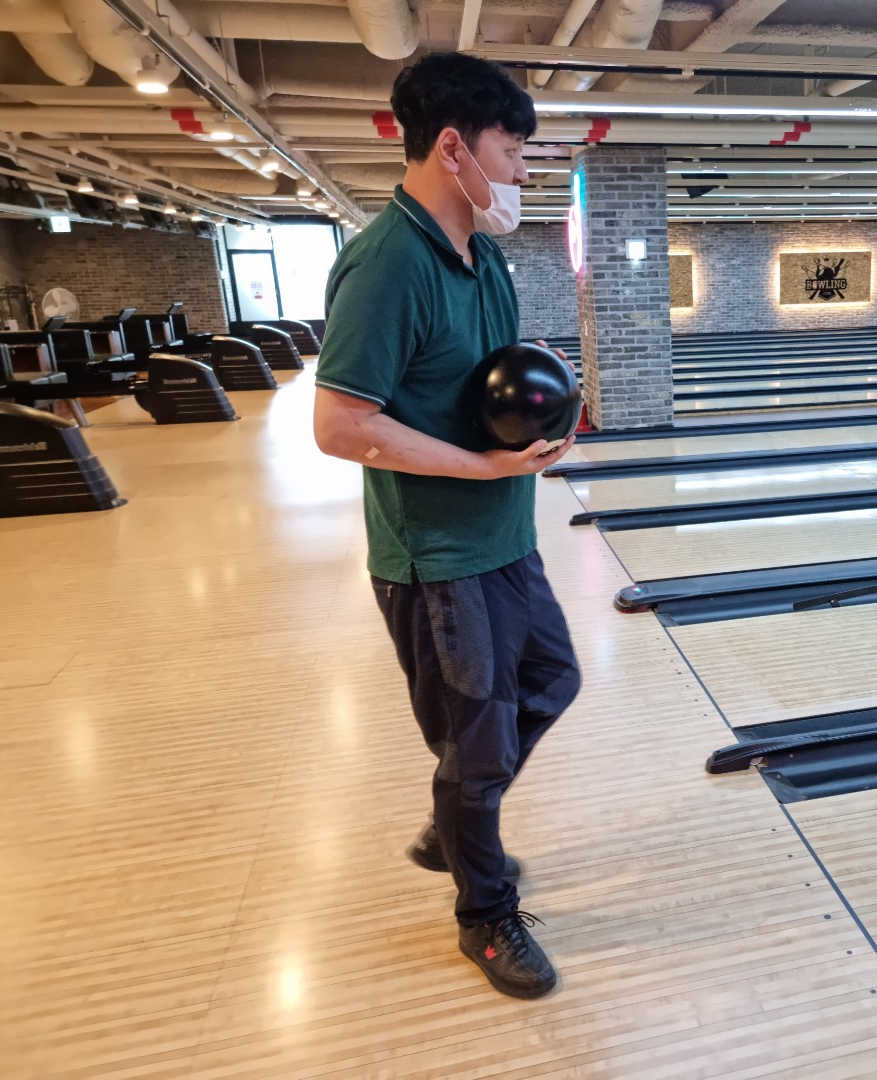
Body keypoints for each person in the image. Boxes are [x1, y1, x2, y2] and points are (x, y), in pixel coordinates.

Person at [312, 52, 581, 1000]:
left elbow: (488, 385)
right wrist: (480, 467)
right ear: (455, 147)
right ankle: (484, 915)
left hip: (504, 536)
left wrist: (542, 419)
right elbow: (340, 426)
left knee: (551, 681)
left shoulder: (484, 256)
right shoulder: (386, 264)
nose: (522, 171)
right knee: (477, 747)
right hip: (437, 557)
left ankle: (455, 817)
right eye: (513, 150)